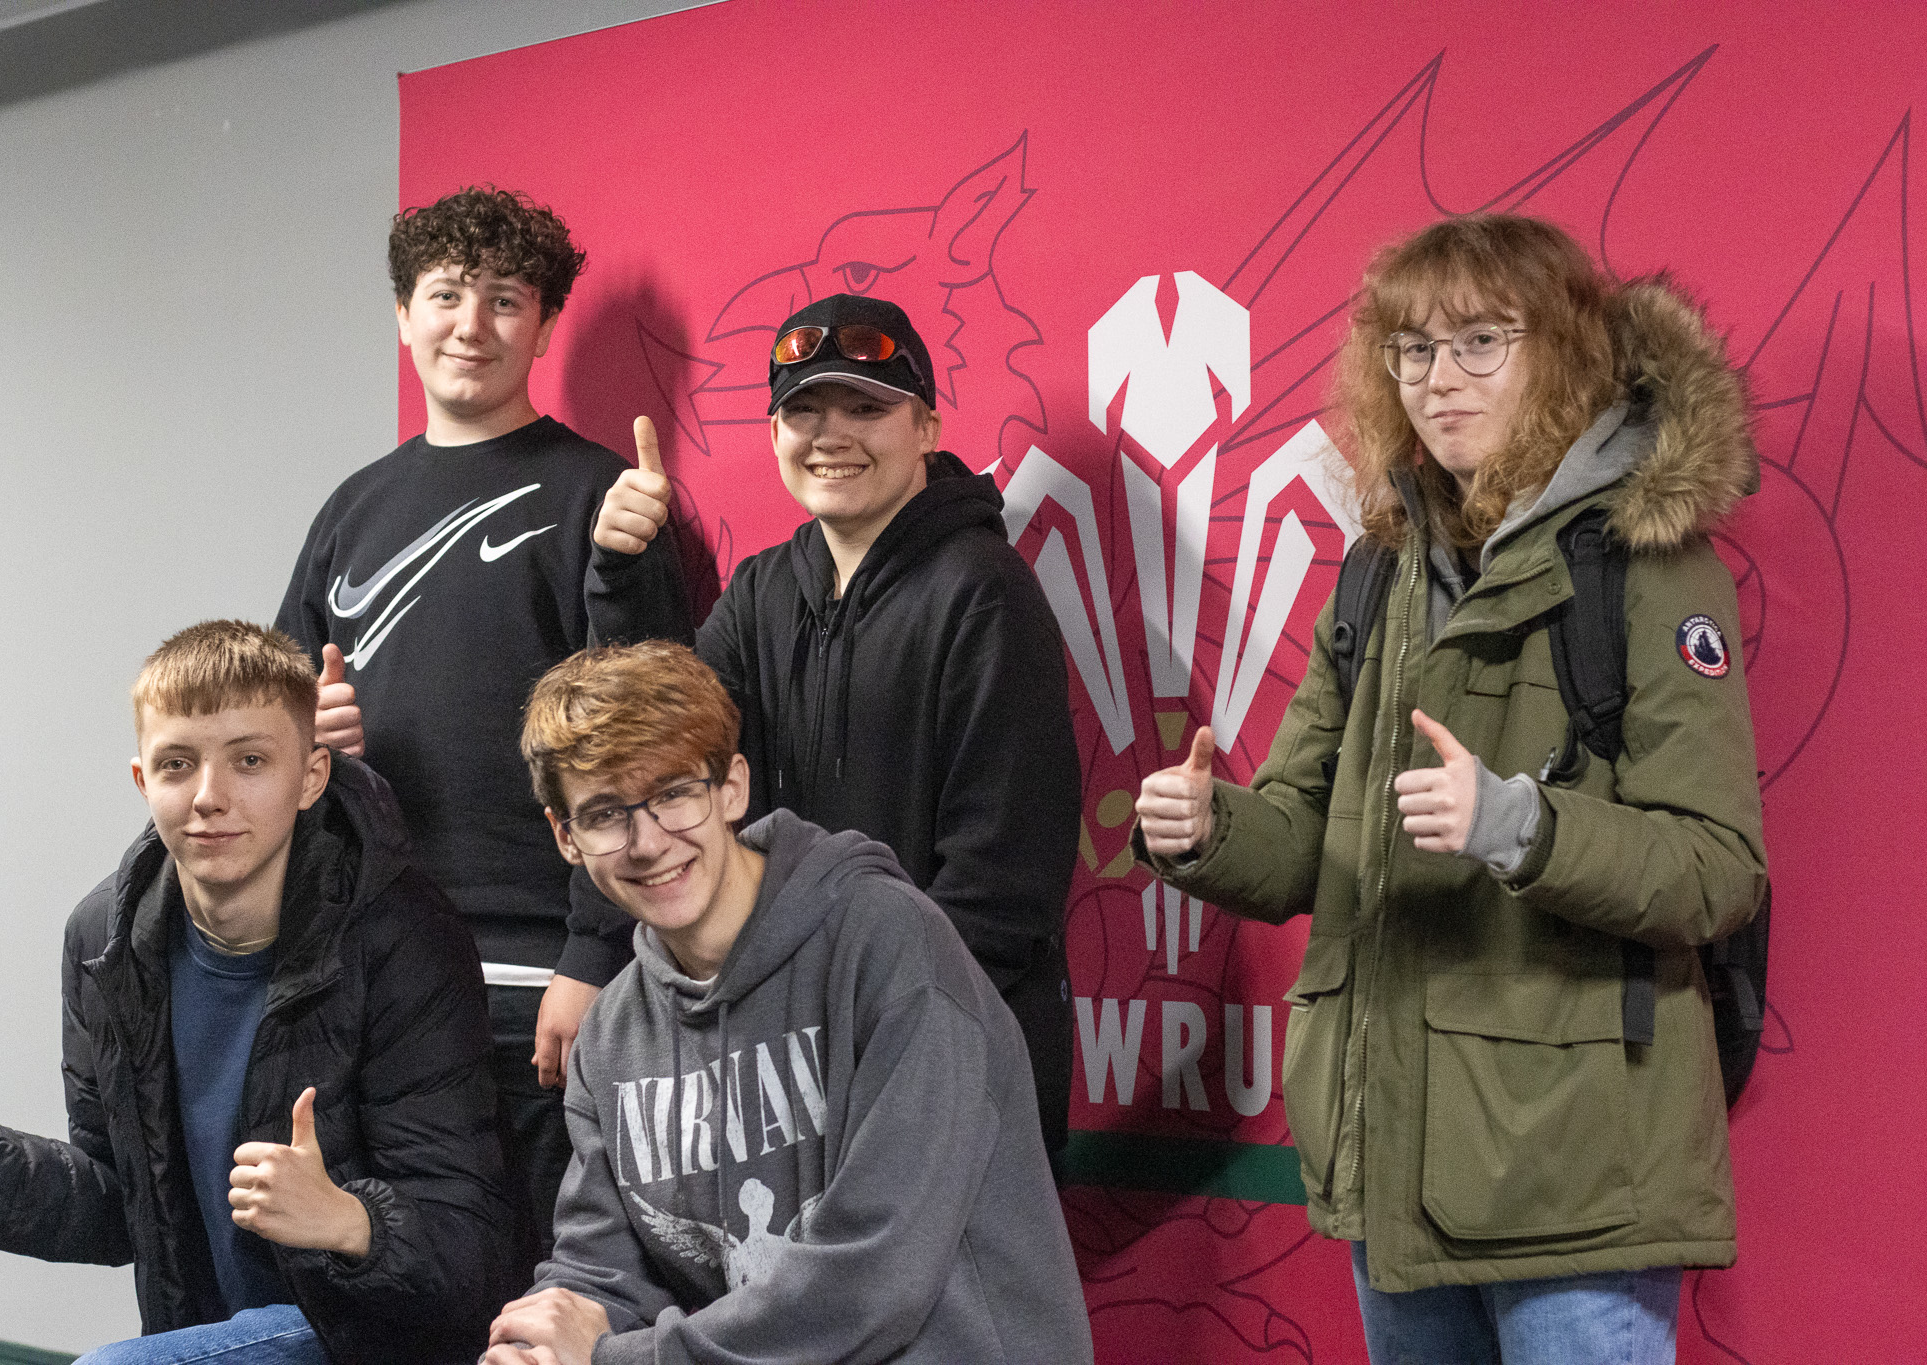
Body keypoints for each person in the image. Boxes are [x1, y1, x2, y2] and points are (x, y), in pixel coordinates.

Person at [1134, 215, 1766, 1364]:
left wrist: (1519, 827)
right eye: (1411, 348)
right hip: (1395, 1165)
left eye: (1479, 341)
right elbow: (1301, 839)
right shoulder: (1376, 569)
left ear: (1560, 353)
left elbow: (1715, 869)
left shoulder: (1645, 561)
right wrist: (1204, 828)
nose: (1437, 378)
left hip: (1575, 1184)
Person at [0, 620, 507, 1363]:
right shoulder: (104, 938)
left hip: (368, 1336)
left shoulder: (404, 935)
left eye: (250, 760)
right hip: (205, 1334)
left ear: (312, 776)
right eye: (178, 764)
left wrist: (347, 1220)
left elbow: (471, 1243)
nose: (210, 796)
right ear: (144, 781)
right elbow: (123, 1203)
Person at [273, 186, 689, 1284]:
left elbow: (650, 750)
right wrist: (311, 742)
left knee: (546, 1288)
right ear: (403, 316)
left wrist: (594, 953)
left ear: (543, 328)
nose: (471, 324)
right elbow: (267, 733)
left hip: (542, 979)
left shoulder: (602, 496)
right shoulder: (352, 509)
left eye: (505, 300)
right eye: (447, 295)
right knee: (403, 1282)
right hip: (375, 967)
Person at [483, 641, 1092, 1364]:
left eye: (674, 793)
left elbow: (876, 1280)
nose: (647, 842)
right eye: (606, 813)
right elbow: (601, 1276)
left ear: (732, 788)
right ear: (566, 836)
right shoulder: (611, 1038)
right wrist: (536, 1347)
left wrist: (621, 1359)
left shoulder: (889, 945)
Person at [586, 293, 1080, 1154]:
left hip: (951, 1062)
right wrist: (625, 578)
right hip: (793, 1065)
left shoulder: (986, 593)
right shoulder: (763, 591)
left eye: (866, 407)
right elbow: (658, 747)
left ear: (926, 427)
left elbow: (1001, 887)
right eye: (804, 410)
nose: (831, 435)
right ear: (775, 433)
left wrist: (871, 1033)